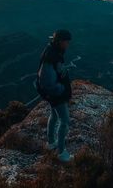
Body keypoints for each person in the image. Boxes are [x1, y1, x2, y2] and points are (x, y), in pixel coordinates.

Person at [36, 29, 73, 162]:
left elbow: (53, 74)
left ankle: (51, 142)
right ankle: (61, 153)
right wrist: (62, 89)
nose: (68, 45)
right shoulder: (51, 57)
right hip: (56, 95)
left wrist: (62, 71)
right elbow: (48, 82)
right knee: (65, 121)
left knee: (54, 115)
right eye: (66, 42)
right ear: (59, 41)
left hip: (53, 94)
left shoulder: (52, 51)